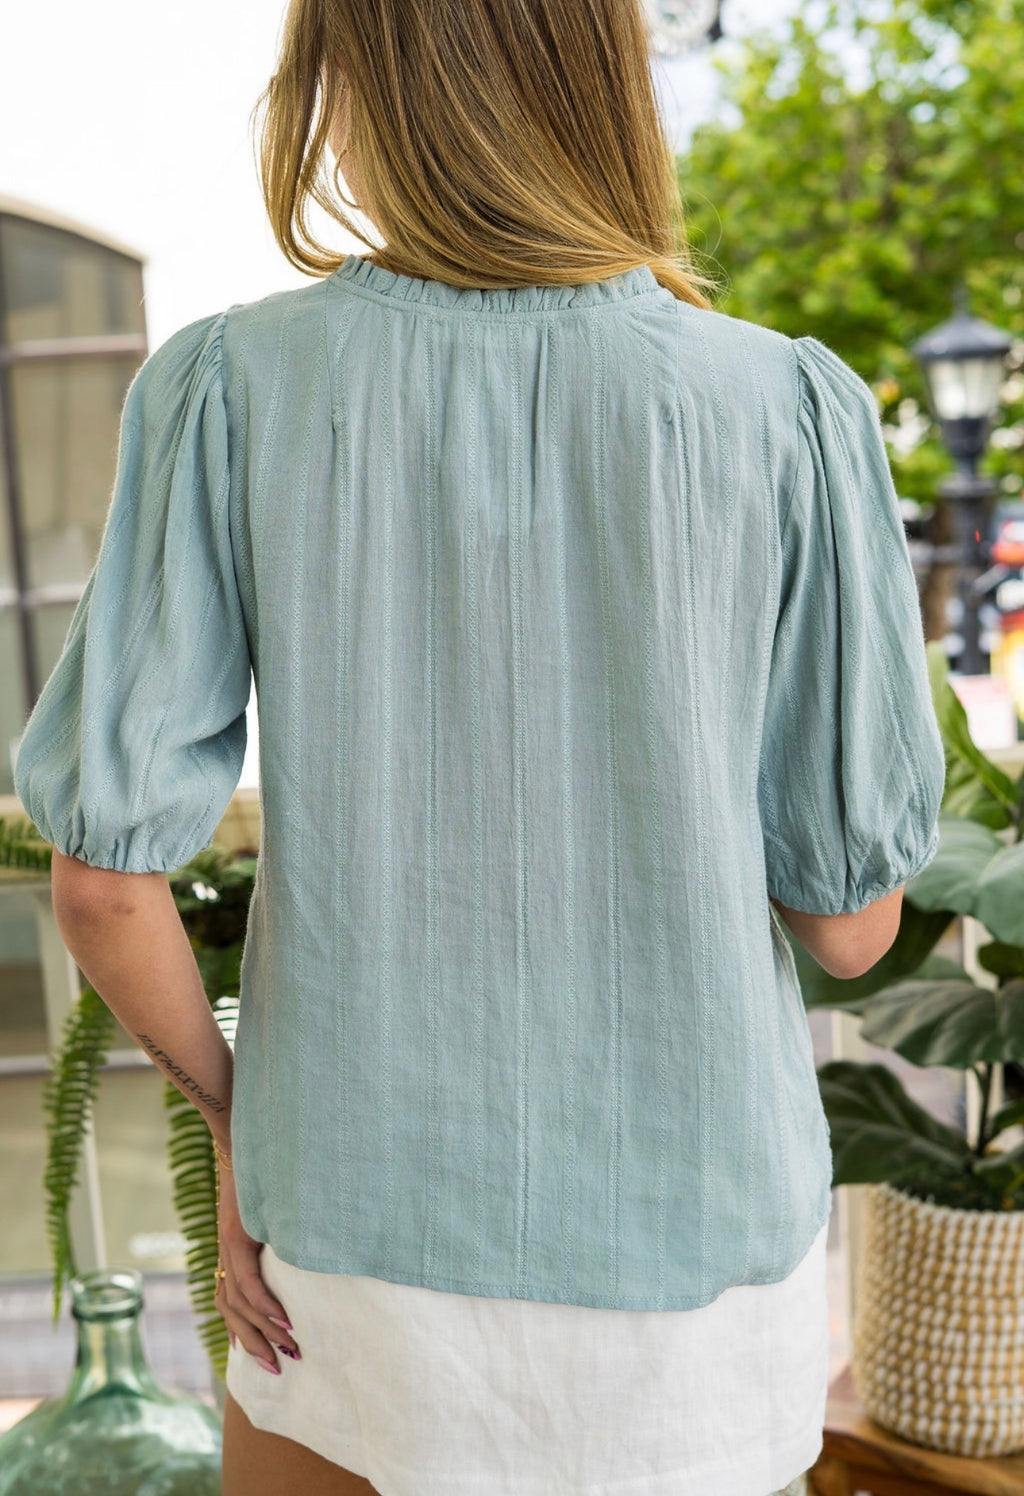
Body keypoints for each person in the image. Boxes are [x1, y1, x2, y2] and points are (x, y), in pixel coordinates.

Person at [12, 0, 947, 1491]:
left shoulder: (228, 388)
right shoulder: (782, 407)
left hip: (356, 1245)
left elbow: (103, 886)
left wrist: (236, 1113)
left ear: (347, 80)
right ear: (609, 86)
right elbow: (849, 932)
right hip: (693, 1276)